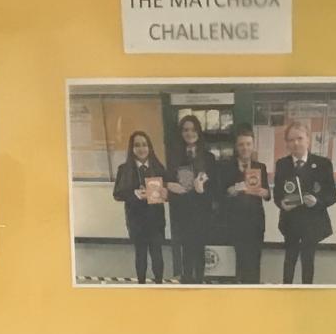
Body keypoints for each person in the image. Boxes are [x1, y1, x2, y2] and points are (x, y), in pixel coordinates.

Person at [270, 121, 336, 287]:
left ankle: (307, 292)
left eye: (300, 138)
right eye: (291, 140)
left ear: (308, 140)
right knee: (289, 259)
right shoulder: (282, 164)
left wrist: (317, 202)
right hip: (290, 221)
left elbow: (332, 196)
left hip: (312, 222)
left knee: (308, 261)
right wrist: (281, 204)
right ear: (286, 143)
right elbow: (278, 194)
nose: (296, 143)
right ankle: (286, 291)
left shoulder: (323, 164)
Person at [166, 113, 221, 286]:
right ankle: (187, 285)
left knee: (199, 251)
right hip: (182, 211)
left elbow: (216, 188)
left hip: (202, 211)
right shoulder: (174, 156)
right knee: (186, 253)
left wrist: (203, 190)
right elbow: (166, 180)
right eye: (185, 130)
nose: (189, 133)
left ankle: (199, 283)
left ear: (199, 132)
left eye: (193, 129)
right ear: (181, 133)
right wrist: (169, 185)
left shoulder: (209, 157)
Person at [210, 129, 269, 286]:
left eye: (248, 144)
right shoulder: (226, 167)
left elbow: (268, 195)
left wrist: (263, 192)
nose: (245, 148)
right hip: (233, 222)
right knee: (234, 263)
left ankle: (254, 295)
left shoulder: (260, 167)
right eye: (241, 144)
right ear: (236, 147)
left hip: (255, 222)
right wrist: (230, 191)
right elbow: (219, 194)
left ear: (253, 145)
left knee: (254, 262)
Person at [114, 131, 170, 285]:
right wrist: (136, 194)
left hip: (155, 220)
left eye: (144, 145)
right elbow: (117, 194)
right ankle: (141, 284)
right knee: (141, 255)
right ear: (131, 148)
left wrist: (166, 193)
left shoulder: (158, 167)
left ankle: (159, 283)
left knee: (157, 255)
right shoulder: (124, 169)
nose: (141, 148)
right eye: (137, 145)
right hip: (136, 220)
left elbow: (168, 190)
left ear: (149, 147)